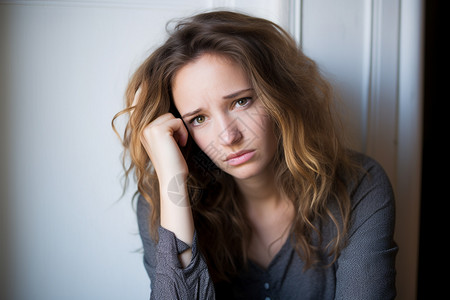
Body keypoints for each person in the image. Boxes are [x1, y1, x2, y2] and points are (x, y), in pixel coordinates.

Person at [112, 10, 398, 299]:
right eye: (199, 119)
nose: (229, 136)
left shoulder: (359, 185)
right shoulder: (163, 204)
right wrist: (173, 180)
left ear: (279, 95)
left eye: (241, 101)